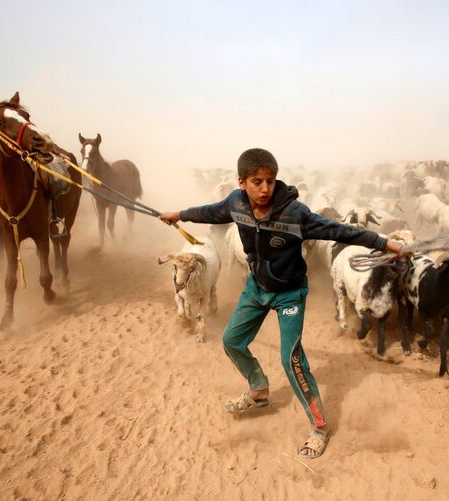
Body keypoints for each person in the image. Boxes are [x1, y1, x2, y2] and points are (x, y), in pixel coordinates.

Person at [160, 148, 405, 459]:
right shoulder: (235, 204)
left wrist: (386, 243)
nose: (265, 189)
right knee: (232, 341)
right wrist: (178, 215)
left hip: (289, 294)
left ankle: (319, 427)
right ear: (242, 183)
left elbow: (342, 231)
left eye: (270, 181)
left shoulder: (296, 213)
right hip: (256, 288)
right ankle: (259, 390)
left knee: (292, 362)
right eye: (256, 182)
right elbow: (209, 212)